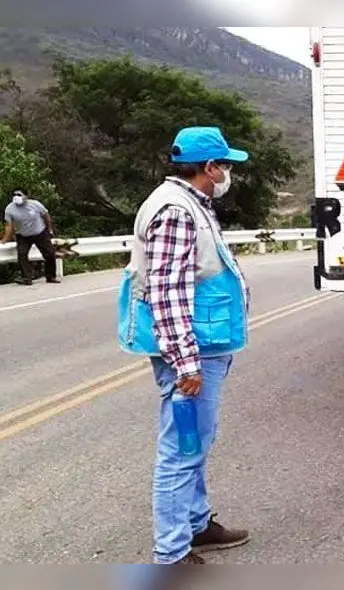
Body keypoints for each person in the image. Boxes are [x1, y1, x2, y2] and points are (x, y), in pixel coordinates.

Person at [116, 126, 252, 565]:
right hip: (192, 350)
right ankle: (172, 553)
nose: (227, 173)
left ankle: (196, 525)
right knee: (181, 449)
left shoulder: (189, 203)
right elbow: (168, 289)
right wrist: (186, 363)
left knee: (195, 441)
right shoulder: (175, 210)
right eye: (225, 165)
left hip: (200, 343)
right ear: (209, 168)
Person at [2, 189, 59, 285]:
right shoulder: (9, 209)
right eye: (14, 195)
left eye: (19, 194)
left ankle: (51, 276)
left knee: (50, 254)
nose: (16, 197)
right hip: (23, 235)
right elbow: (9, 225)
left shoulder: (35, 204)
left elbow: (46, 216)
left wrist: (49, 229)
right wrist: (5, 239)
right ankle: (26, 278)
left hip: (40, 233)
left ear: (26, 196)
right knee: (22, 254)